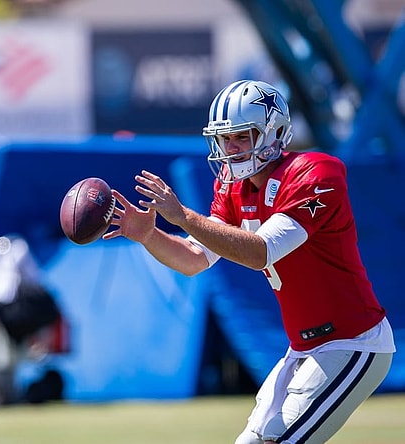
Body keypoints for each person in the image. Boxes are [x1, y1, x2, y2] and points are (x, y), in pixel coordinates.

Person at [104, 79, 395, 444]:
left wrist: (183, 216)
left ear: (274, 133)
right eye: (224, 138)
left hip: (353, 342)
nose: (231, 148)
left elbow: (261, 252)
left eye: (242, 136)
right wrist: (149, 235)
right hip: (302, 348)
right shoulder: (232, 187)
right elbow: (194, 259)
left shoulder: (315, 173)